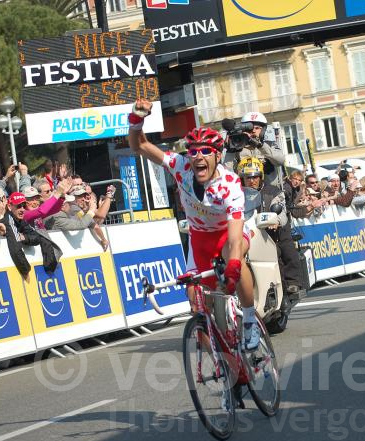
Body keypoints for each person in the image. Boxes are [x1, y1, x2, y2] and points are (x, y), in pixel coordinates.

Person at [127, 98, 262, 351]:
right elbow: (140, 145)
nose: (198, 157)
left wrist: (233, 265)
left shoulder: (229, 184)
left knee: (232, 258)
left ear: (217, 156)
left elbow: (234, 238)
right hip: (199, 238)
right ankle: (224, 362)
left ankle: (249, 319)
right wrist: (136, 120)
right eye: (193, 152)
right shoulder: (180, 166)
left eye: (205, 152)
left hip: (227, 234)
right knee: (197, 305)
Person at [238, 157, 302, 295]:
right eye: (248, 177)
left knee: (285, 245)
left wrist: (276, 220)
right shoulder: (236, 195)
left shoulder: (273, 191)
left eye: (255, 176)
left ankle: (292, 281)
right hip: (247, 231)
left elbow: (281, 210)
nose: (252, 180)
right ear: (242, 179)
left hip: (270, 230)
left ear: (261, 176)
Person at [224, 112, 286, 188]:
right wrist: (230, 151)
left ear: (263, 130)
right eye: (249, 129)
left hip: (270, 192)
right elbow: (226, 172)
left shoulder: (269, 145)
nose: (253, 131)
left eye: (257, 128)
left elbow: (280, 160)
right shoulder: (238, 147)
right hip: (247, 192)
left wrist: (260, 145)